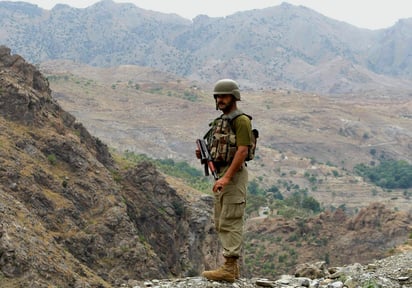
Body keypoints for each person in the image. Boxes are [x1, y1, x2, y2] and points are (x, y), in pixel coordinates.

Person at [196, 79, 252, 282]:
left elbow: (243, 150)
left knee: (231, 218)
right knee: (221, 219)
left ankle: (229, 269)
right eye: (217, 96)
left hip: (233, 175)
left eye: (224, 96)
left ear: (234, 97)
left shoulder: (241, 121)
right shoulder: (222, 120)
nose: (220, 99)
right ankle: (231, 268)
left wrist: (227, 177)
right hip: (221, 174)